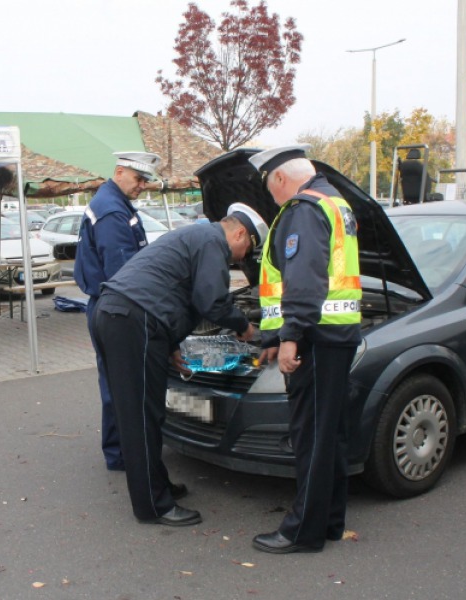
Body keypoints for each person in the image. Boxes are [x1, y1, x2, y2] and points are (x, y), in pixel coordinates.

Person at [91, 207, 267, 526]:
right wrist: (246, 329)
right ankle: (153, 506)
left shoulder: (195, 236)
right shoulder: (213, 241)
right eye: (247, 252)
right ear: (240, 234)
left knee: (147, 411)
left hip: (124, 317)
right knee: (141, 417)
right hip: (132, 321)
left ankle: (157, 486)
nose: (243, 260)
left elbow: (165, 289)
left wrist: (171, 345)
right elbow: (210, 301)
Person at [248, 145, 362, 554]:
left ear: (279, 178)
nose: (272, 195)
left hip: (314, 338)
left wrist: (290, 336)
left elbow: (304, 279)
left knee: (310, 435)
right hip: (336, 335)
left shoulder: (303, 208)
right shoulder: (336, 202)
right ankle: (330, 521)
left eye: (269, 186)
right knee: (329, 433)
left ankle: (303, 532)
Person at [74, 151, 162, 472]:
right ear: (119, 171)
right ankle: (123, 454)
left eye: (146, 180)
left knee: (114, 381)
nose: (142, 185)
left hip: (107, 304)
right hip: (116, 307)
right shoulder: (112, 211)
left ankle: (119, 450)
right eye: (139, 179)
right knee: (121, 384)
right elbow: (123, 275)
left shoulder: (112, 202)